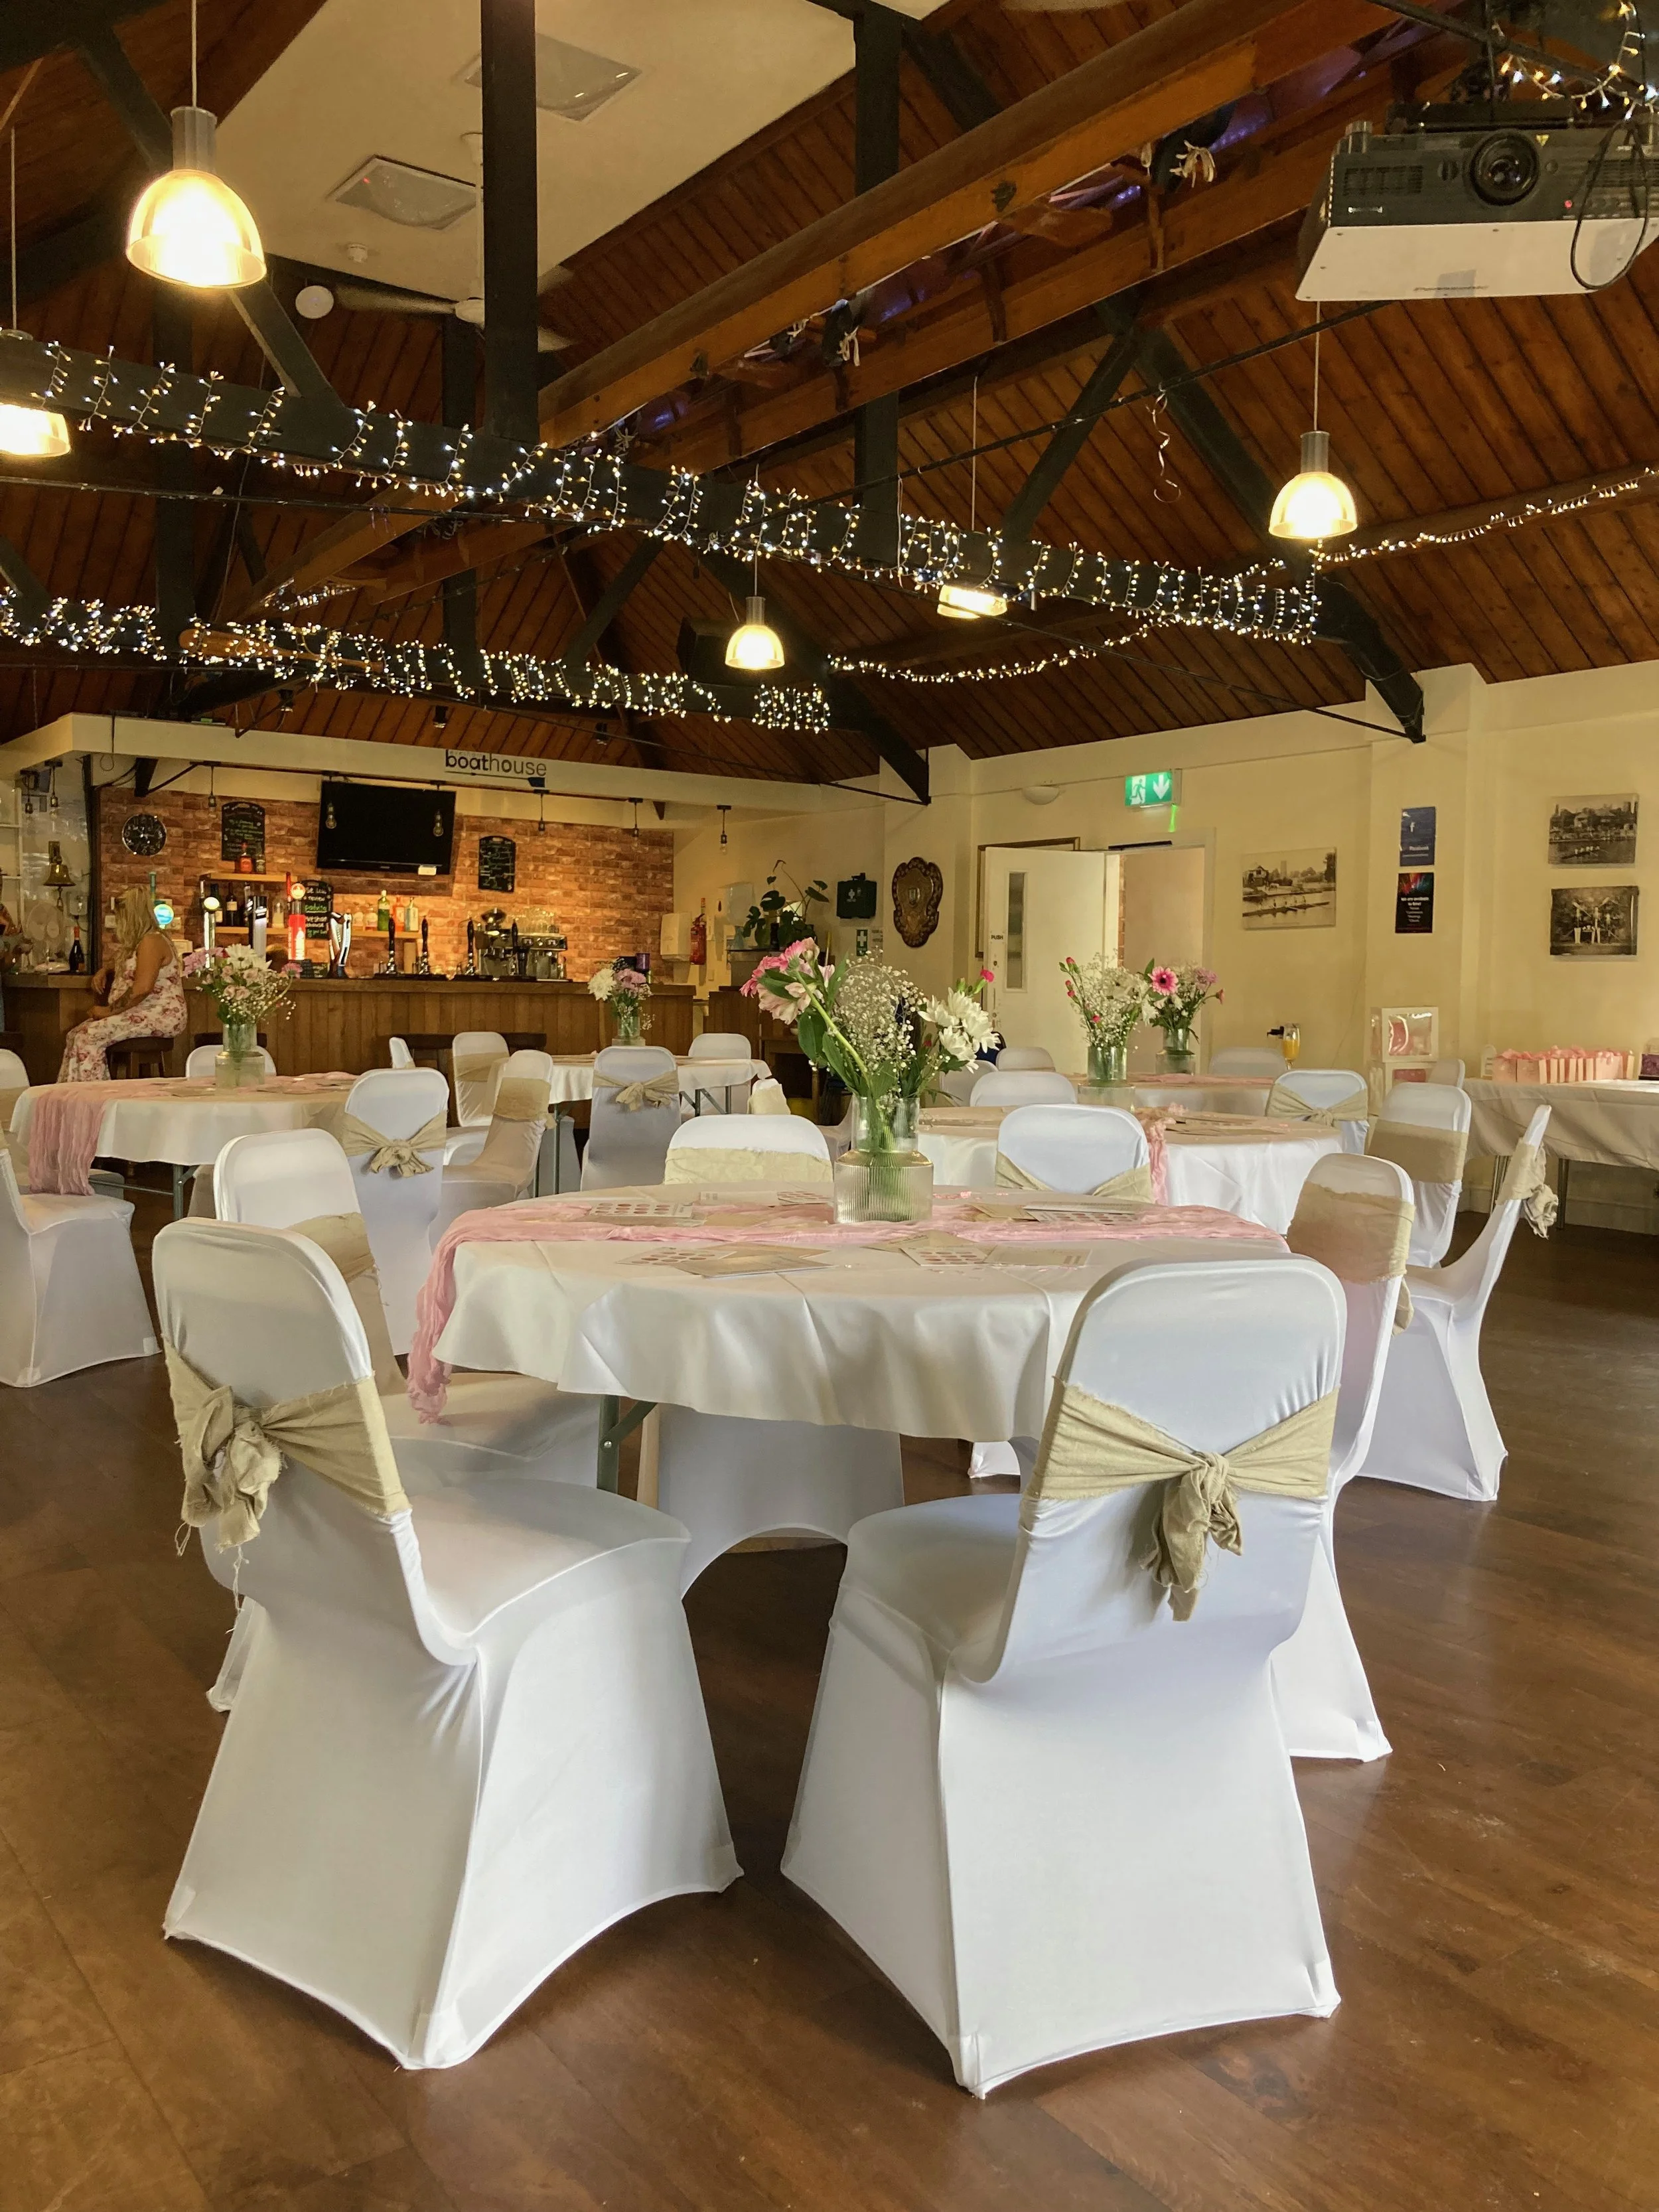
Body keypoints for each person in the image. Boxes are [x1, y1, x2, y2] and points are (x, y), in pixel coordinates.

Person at [58, 886, 187, 1080]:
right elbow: (131, 963)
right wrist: (106, 970)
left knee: (89, 1037)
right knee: (75, 1034)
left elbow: (142, 989)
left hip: (157, 1014)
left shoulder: (152, 941)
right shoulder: (140, 942)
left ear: (131, 916)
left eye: (120, 917)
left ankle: (96, 1099)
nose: (118, 923)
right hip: (140, 1011)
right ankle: (70, 1097)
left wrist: (108, 1011)